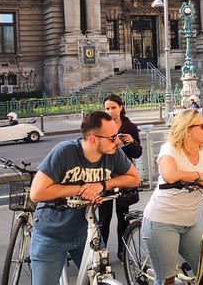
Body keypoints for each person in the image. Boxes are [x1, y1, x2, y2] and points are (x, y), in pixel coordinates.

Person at [29, 111, 141, 284]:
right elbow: (37, 193)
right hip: (51, 234)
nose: (117, 141)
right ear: (93, 139)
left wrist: (102, 185)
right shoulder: (65, 152)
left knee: (100, 276)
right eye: (112, 137)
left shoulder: (112, 153)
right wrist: (81, 189)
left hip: (86, 232)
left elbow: (134, 178)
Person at [142, 109, 203, 285]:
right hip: (162, 222)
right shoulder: (170, 150)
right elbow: (170, 175)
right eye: (202, 126)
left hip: (188, 223)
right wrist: (200, 176)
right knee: (167, 279)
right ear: (188, 131)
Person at [98, 94, 142, 261]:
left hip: (124, 177)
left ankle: (123, 252)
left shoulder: (129, 126)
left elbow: (137, 153)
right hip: (105, 176)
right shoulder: (100, 126)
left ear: (121, 107)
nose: (110, 111)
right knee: (104, 218)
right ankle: (101, 252)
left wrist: (132, 142)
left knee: (123, 216)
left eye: (113, 107)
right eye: (107, 108)